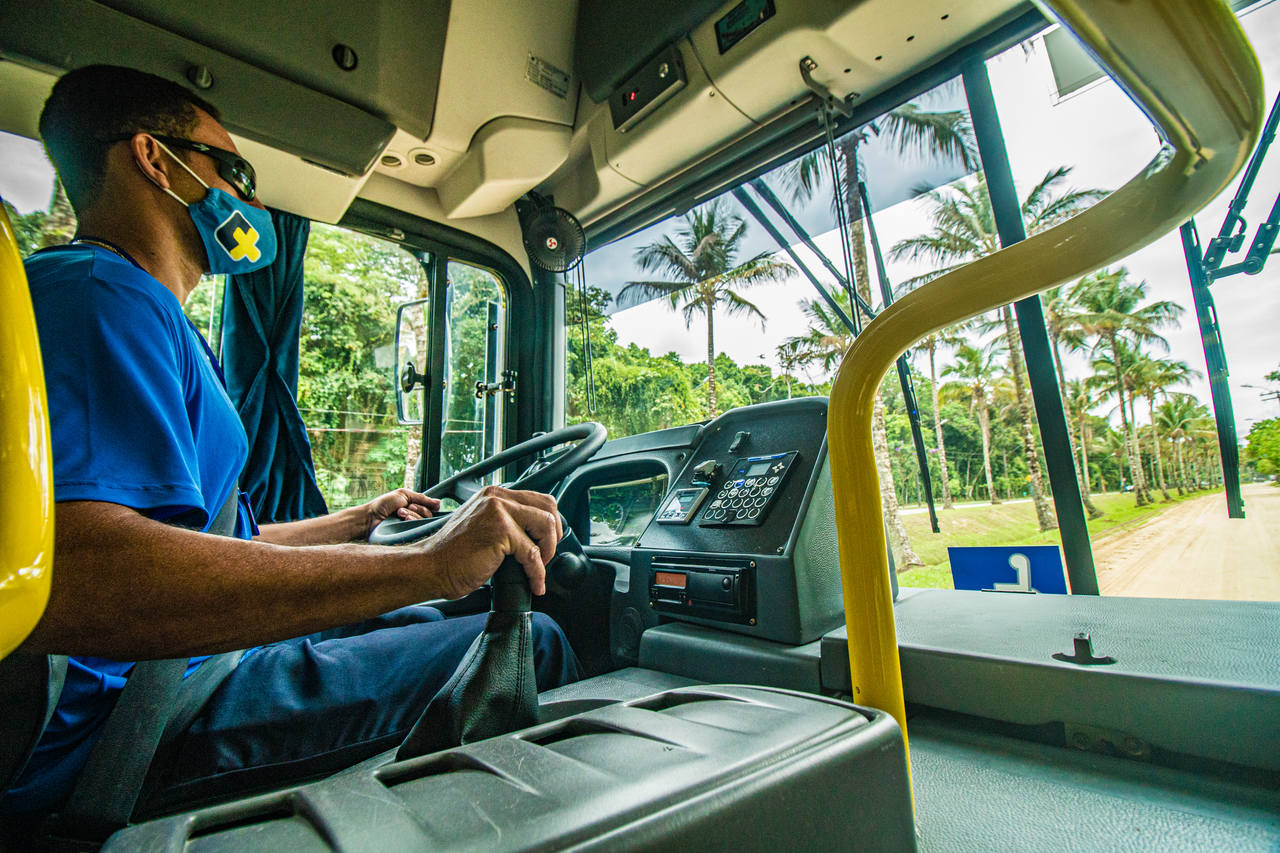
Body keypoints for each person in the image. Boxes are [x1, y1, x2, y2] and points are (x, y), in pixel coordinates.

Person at [0, 65, 581, 818]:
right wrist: (433, 562)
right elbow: (89, 571)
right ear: (152, 158)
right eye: (232, 168)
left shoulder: (145, 311)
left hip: (184, 675)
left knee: (431, 622)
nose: (247, 196)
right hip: (127, 731)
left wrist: (361, 522)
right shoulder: (95, 296)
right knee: (531, 644)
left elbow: (207, 539)